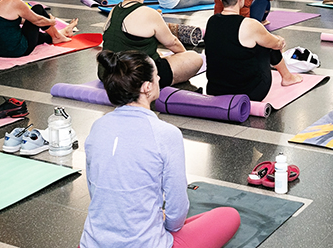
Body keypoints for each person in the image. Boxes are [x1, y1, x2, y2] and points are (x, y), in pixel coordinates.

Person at [81, 50, 240, 248]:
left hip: (91, 243)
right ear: (147, 87)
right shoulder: (165, 133)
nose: (159, 78)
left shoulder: (98, 127)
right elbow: (177, 208)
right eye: (156, 75)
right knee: (228, 215)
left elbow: (95, 191)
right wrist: (166, 223)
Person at [204, 0, 300, 100]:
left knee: (254, 41)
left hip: (215, 89)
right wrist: (279, 40)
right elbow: (276, 44)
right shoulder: (250, 25)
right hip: (249, 92)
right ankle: (287, 77)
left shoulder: (211, 21)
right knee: (267, 44)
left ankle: (287, 76)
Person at [102, 0, 203, 88]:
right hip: (134, 75)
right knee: (195, 58)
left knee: (158, 53)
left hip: (106, 72)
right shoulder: (149, 13)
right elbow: (172, 42)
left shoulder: (114, 10)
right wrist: (183, 56)